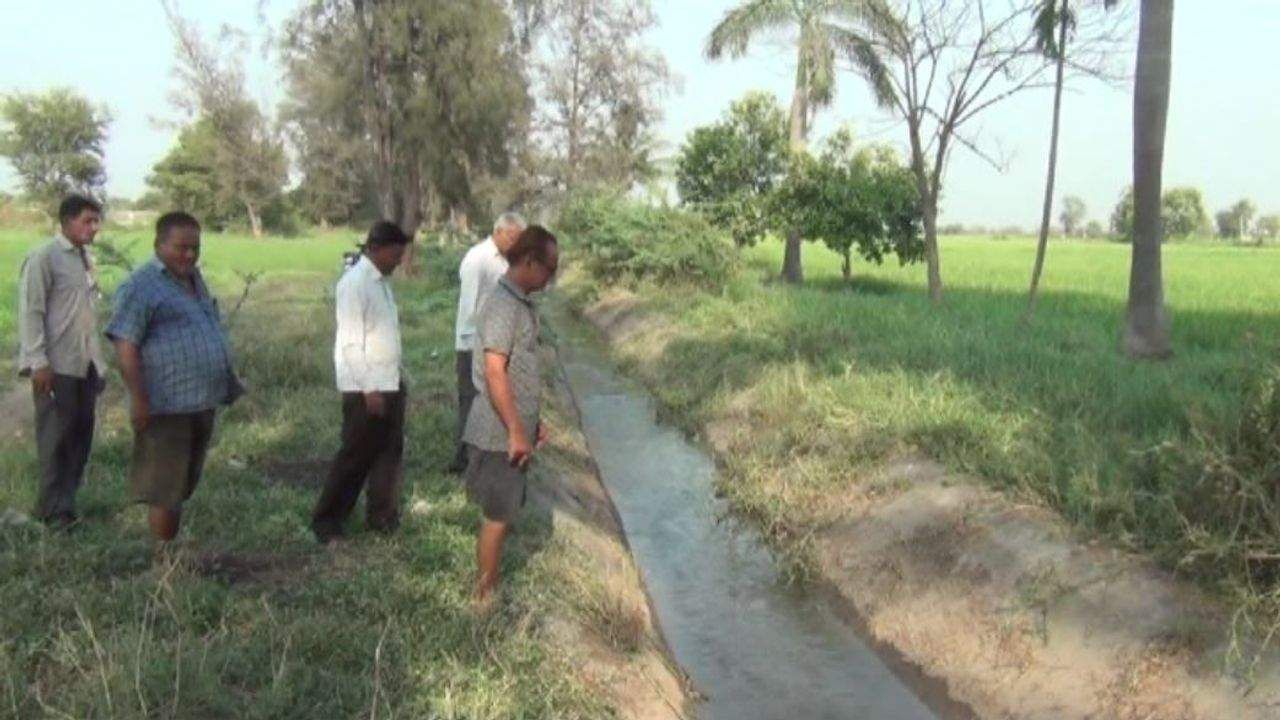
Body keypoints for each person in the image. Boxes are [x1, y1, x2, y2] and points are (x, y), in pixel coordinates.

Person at [105, 212, 243, 544]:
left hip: (199, 400)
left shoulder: (193, 278)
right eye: (181, 247)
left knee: (183, 483)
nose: (189, 255)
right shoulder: (141, 286)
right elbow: (126, 346)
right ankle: (163, 560)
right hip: (166, 405)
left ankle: (171, 547)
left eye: (195, 248)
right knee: (165, 488)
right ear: (159, 244)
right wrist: (139, 400)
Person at [463, 225, 559, 607]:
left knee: (502, 513)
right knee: (497, 517)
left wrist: (533, 421)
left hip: (510, 429)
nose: (551, 278)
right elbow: (495, 371)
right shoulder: (504, 306)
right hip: (497, 433)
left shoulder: (517, 303)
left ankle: (487, 589)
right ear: (530, 262)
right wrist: (517, 431)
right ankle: (484, 598)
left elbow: (518, 369)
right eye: (550, 269)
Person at [312, 221, 412, 543]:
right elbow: (351, 342)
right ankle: (327, 523)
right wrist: (370, 388)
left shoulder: (381, 281)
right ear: (376, 248)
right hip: (365, 388)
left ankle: (381, 518)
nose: (399, 261)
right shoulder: (355, 284)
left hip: (390, 382)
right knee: (355, 457)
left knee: (388, 453)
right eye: (395, 254)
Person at [16, 195, 107, 528]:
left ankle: (64, 505)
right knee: (56, 440)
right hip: (57, 367)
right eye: (87, 220)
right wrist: (38, 362)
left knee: (80, 439)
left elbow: (86, 314)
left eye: (96, 221)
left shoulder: (85, 259)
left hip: (86, 364)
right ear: (67, 221)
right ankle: (54, 512)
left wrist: (100, 364)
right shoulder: (44, 258)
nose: (93, 227)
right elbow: (31, 312)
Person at [450, 212, 526, 474]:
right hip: (473, 345)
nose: (516, 244)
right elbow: (470, 309)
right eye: (514, 237)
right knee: (471, 402)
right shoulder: (477, 259)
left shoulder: (506, 261)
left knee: (490, 403)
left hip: (494, 345)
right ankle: (464, 461)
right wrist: (479, 346)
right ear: (499, 232)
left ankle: (482, 456)